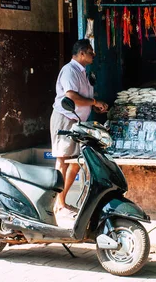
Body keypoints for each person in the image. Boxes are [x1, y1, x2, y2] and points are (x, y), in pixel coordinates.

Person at [50, 39, 108, 217]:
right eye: (91, 52)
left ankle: (62, 200)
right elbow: (72, 96)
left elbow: (84, 96)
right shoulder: (69, 70)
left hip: (78, 121)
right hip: (65, 119)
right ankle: (59, 204)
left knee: (75, 162)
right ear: (82, 54)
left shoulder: (82, 72)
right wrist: (94, 102)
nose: (93, 55)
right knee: (63, 160)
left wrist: (93, 104)